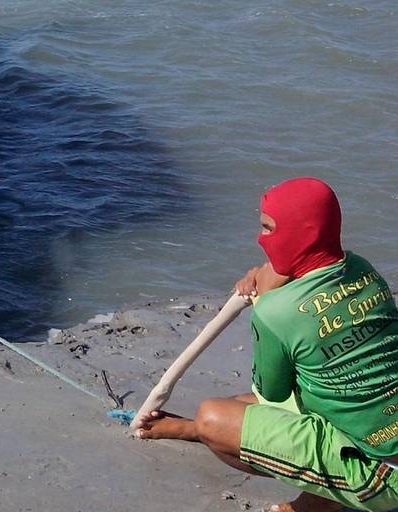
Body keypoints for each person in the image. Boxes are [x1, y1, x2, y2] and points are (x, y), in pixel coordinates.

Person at [137, 178, 398, 512]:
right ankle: (190, 431)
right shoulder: (362, 269)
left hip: (381, 474)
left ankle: (317, 503)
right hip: (379, 428)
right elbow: (311, 272)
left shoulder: (276, 312)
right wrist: (269, 275)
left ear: (300, 232)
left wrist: (265, 299)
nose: (260, 238)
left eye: (269, 229)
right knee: (240, 405)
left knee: (214, 419)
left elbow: (272, 392)